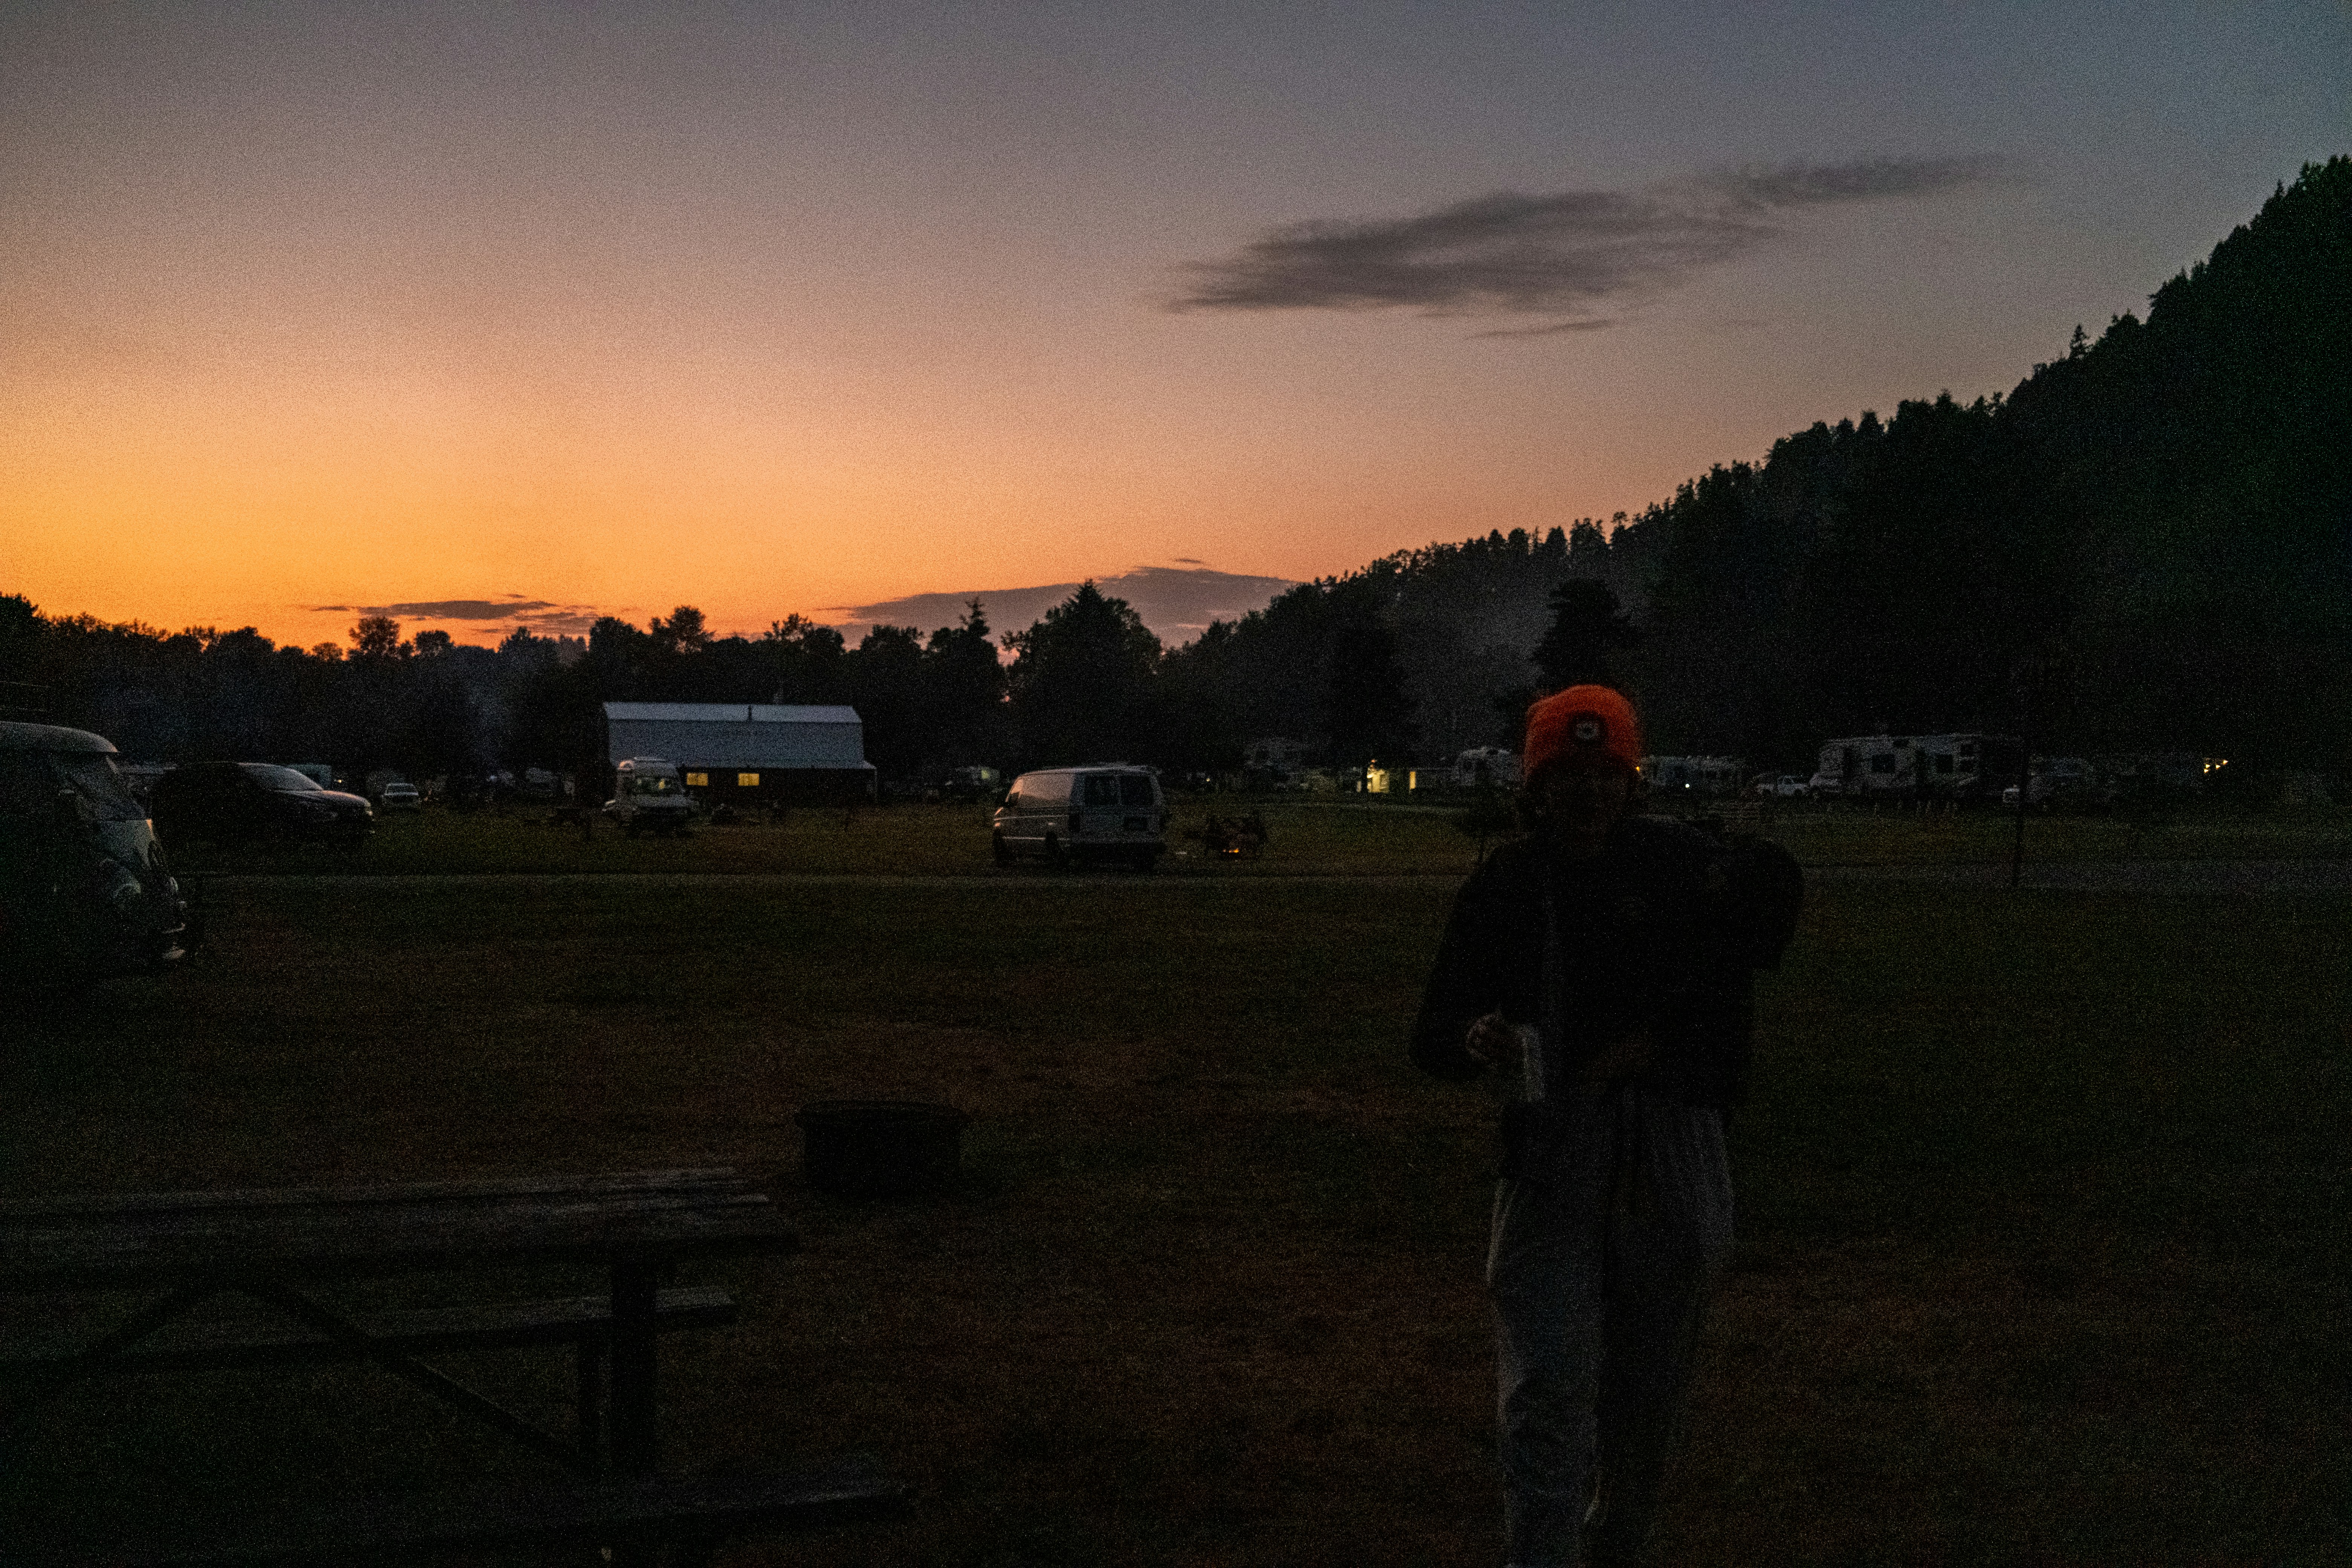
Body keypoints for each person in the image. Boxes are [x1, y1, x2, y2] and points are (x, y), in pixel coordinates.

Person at [1412, 685, 1801, 1568]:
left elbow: (1771, 906)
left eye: (1606, 772)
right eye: (1566, 773)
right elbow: (1430, 1036)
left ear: (1632, 782)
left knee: (1649, 1388)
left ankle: (1617, 1541)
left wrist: (1641, 1054)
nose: (1588, 791)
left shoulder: (1679, 867)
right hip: (1551, 1160)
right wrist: (1475, 1037)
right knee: (1547, 1382)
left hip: (1671, 1155)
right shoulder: (1507, 886)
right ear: (1535, 785)